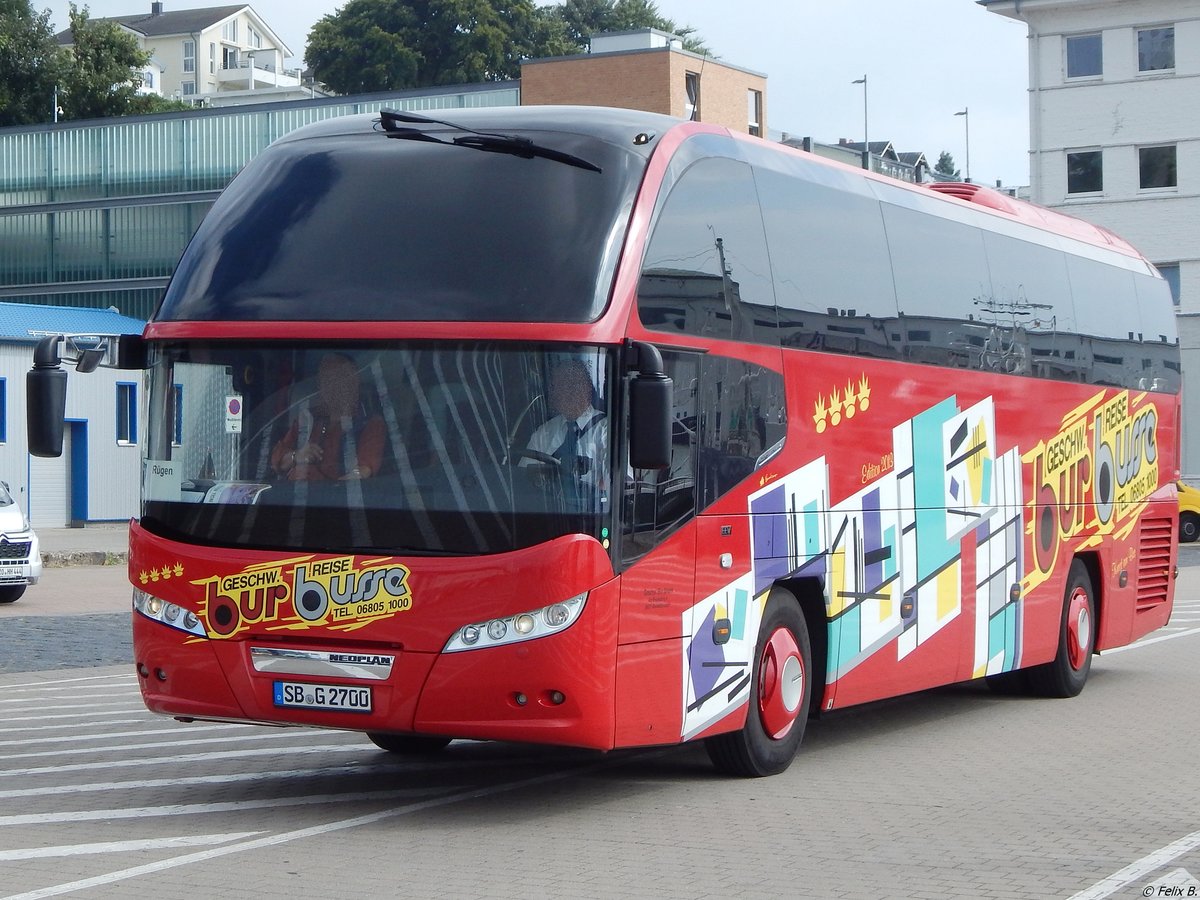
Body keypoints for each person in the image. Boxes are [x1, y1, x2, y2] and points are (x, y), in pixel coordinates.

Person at [271, 353, 384, 481]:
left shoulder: (371, 423)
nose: (333, 386)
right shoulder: (308, 418)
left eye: (340, 378)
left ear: (354, 382)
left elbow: (363, 472)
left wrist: (324, 489)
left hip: (333, 498)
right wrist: (296, 456)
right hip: (290, 495)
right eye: (327, 379)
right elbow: (276, 460)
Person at [522, 359, 608, 508]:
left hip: (591, 516)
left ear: (587, 388)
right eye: (558, 387)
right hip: (546, 512)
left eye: (572, 385)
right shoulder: (544, 432)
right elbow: (523, 480)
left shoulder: (608, 430)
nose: (564, 393)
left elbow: (613, 486)